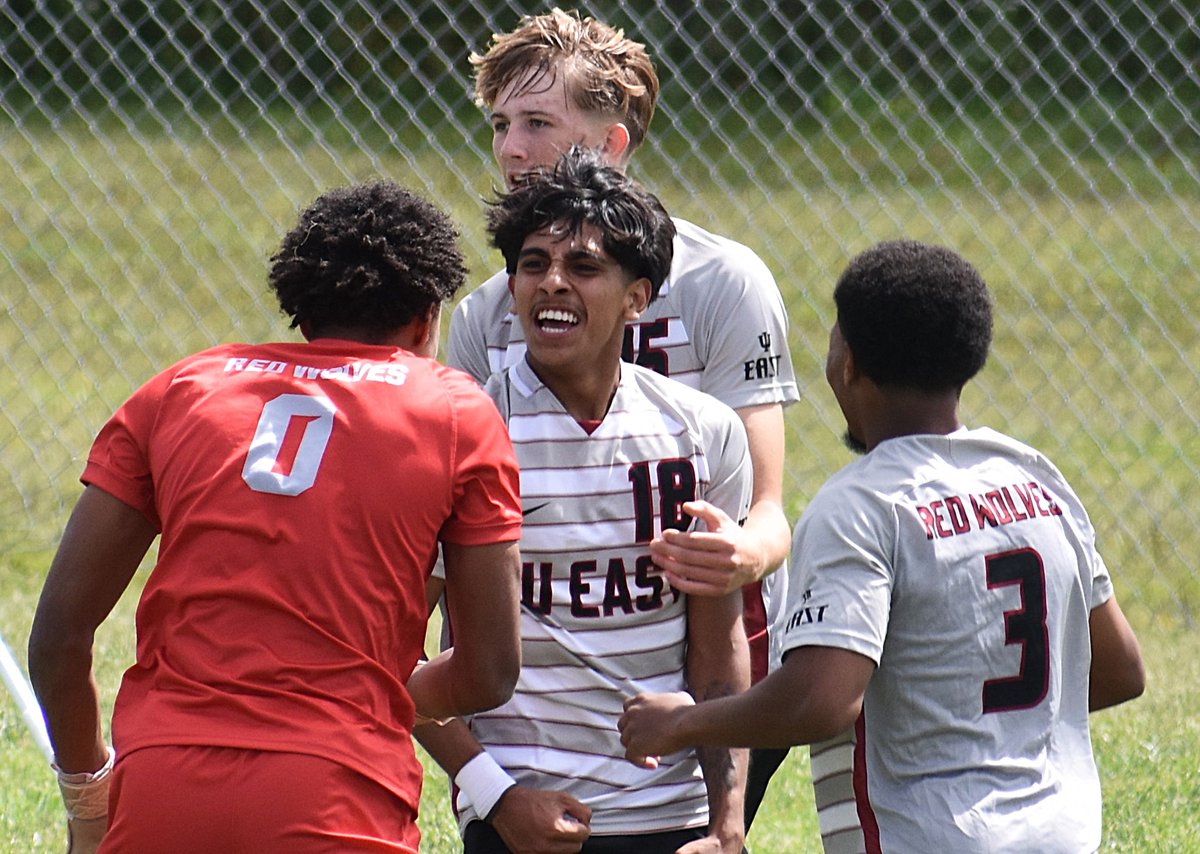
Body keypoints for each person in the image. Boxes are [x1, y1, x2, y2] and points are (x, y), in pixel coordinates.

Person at [27, 181, 525, 854]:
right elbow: (490, 670)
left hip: (162, 784)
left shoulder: (183, 386)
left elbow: (59, 634)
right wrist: (371, 693)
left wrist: (88, 796)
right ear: (426, 318)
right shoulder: (455, 410)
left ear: (302, 307)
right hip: (337, 791)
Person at [618, 239, 1146, 853]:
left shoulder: (862, 507)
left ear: (850, 364)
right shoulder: (1034, 477)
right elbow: (1117, 670)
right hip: (1063, 833)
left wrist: (680, 722)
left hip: (928, 836)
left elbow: (821, 699)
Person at [447, 8, 800, 827]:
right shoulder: (490, 310)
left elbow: (767, 509)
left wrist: (737, 553)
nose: (509, 148)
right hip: (548, 617)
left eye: (537, 122)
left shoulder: (723, 280)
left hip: (699, 612)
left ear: (610, 144)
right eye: (500, 124)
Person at [417, 147, 752, 853]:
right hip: (523, 816)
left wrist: (727, 823)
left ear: (639, 296)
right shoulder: (465, 432)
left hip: (674, 818)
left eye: (585, 267)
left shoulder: (702, 432)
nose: (553, 284)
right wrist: (496, 797)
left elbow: (718, 653)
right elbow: (386, 653)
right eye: (532, 265)